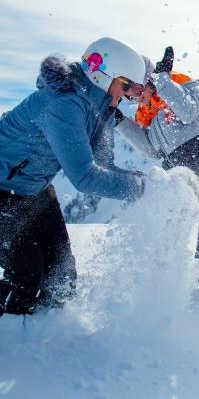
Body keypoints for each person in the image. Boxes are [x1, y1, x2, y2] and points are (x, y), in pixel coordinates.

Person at [0, 37, 147, 316]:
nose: (128, 96)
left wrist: (147, 181)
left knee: (61, 281)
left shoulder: (100, 108)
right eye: (127, 86)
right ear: (103, 75)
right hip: (1, 190)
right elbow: (85, 177)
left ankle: (42, 328)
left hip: (33, 189)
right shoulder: (63, 103)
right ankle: (16, 338)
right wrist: (139, 189)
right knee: (26, 282)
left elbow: (104, 164)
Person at [116, 47, 199, 294]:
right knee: (171, 239)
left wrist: (164, 82)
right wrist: (119, 121)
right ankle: (176, 288)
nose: (136, 99)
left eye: (138, 89)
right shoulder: (147, 112)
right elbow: (151, 150)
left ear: (149, 78)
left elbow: (189, 111)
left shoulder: (181, 88)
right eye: (129, 96)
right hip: (185, 184)